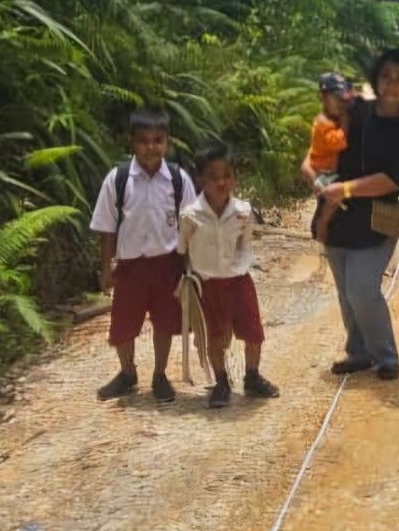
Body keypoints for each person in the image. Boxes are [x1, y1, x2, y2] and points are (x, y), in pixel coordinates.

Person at [312, 49, 399, 381]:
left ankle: (385, 354)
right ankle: (358, 351)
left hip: (382, 216)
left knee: (362, 288)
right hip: (336, 215)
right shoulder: (357, 110)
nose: (391, 84)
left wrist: (345, 190)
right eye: (386, 75)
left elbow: (393, 180)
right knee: (345, 289)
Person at [90, 108, 196, 402]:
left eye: (157, 140)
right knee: (123, 324)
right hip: (130, 265)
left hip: (168, 264)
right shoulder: (119, 179)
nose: (151, 147)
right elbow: (107, 228)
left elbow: (190, 225)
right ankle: (127, 373)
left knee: (165, 322)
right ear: (131, 142)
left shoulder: (178, 179)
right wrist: (107, 267)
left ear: (168, 142)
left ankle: (160, 375)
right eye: (144, 141)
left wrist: (192, 268)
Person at [178, 142, 278, 408]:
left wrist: (240, 265)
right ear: (200, 180)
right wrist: (190, 279)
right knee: (215, 335)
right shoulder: (190, 216)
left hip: (239, 281)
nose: (221, 182)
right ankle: (221, 380)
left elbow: (245, 243)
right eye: (213, 177)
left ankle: (252, 375)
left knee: (253, 330)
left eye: (227, 176)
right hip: (208, 285)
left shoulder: (243, 212)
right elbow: (183, 248)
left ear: (235, 177)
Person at [307, 73, 354, 243]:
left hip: (328, 170)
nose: (341, 103)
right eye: (337, 98)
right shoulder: (324, 123)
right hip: (324, 173)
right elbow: (338, 143)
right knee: (334, 200)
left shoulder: (329, 119)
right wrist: (345, 123)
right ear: (323, 98)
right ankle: (322, 226)